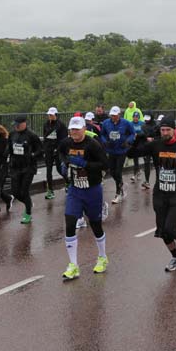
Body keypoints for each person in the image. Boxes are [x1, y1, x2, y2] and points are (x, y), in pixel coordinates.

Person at [127, 116, 176, 272]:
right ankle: (175, 257)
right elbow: (131, 154)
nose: (165, 132)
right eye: (163, 130)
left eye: (168, 129)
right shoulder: (155, 145)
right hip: (160, 194)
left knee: (170, 228)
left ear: (174, 130)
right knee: (163, 232)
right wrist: (136, 140)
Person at [57, 116, 110, 280]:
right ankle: (73, 265)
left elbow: (105, 165)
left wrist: (85, 164)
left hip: (92, 190)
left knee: (95, 225)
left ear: (83, 129)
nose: (74, 132)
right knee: (70, 221)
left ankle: (102, 257)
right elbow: (60, 153)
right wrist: (65, 162)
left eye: (77, 129)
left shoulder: (93, 144)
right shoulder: (66, 143)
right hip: (75, 189)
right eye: (72, 129)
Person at [4, 116, 43, 224]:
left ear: (25, 123)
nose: (16, 126)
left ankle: (28, 213)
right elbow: (10, 148)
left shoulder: (32, 136)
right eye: (15, 124)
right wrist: (6, 157)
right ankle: (28, 203)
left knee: (24, 191)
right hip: (15, 167)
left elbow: (40, 150)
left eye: (19, 124)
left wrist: (32, 155)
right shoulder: (12, 134)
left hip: (28, 167)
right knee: (15, 192)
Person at [100, 106, 135, 204]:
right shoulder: (106, 123)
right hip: (111, 150)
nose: (113, 117)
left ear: (119, 115)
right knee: (112, 172)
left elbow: (133, 133)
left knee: (118, 172)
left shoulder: (126, 123)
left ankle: (118, 193)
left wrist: (128, 141)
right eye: (112, 115)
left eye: (115, 115)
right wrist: (105, 141)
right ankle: (121, 185)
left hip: (121, 151)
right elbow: (102, 134)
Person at [42, 107, 68, 200]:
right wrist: (45, 149)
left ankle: (67, 182)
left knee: (59, 169)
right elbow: (45, 137)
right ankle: (50, 191)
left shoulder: (61, 125)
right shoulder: (46, 124)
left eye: (52, 115)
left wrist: (59, 149)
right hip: (49, 149)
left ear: (56, 115)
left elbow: (64, 139)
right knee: (48, 170)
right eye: (49, 115)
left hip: (58, 150)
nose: (50, 116)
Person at [138, 114, 158, 189]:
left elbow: (159, 136)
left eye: (148, 118)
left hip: (155, 147)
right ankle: (147, 181)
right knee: (146, 164)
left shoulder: (156, 126)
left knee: (157, 164)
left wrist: (153, 139)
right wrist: (145, 139)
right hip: (147, 147)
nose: (146, 120)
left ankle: (158, 182)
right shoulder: (143, 126)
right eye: (146, 119)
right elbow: (141, 137)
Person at [130, 112, 146, 183]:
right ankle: (135, 174)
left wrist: (138, 134)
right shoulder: (130, 123)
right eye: (134, 117)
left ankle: (139, 172)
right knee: (135, 159)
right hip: (134, 143)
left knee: (143, 159)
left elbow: (144, 132)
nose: (135, 118)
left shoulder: (142, 123)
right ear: (133, 117)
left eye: (137, 117)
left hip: (141, 143)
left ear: (138, 117)